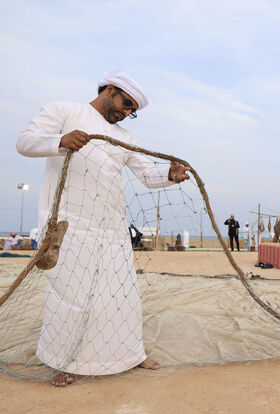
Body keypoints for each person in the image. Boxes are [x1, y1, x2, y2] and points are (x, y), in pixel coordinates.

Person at [16, 70, 191, 386]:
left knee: (120, 295)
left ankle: (129, 355)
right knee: (71, 296)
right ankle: (65, 362)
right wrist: (60, 141)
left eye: (132, 111)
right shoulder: (64, 111)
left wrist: (170, 175)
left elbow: (148, 175)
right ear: (109, 89)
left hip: (111, 228)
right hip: (71, 226)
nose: (126, 112)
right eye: (126, 104)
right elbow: (25, 142)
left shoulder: (125, 138)